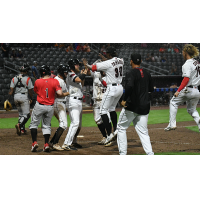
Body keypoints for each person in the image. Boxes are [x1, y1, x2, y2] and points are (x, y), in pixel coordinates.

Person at [83, 47, 124, 145]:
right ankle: (116, 130)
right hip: (120, 87)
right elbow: (112, 63)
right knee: (112, 109)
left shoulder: (108, 63)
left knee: (102, 111)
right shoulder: (121, 60)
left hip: (111, 88)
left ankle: (109, 135)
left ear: (109, 55)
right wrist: (106, 59)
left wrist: (85, 64)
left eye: (107, 54)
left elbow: (92, 67)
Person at [115, 53, 154, 155]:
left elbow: (129, 87)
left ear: (131, 61)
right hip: (144, 107)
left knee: (121, 128)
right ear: (141, 61)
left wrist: (124, 99)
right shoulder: (147, 73)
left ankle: (123, 154)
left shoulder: (130, 73)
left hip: (132, 106)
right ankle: (150, 154)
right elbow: (151, 89)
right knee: (143, 132)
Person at [29, 65, 69, 152]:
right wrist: (67, 93)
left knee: (34, 124)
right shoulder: (55, 81)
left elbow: (36, 91)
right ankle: (46, 144)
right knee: (46, 126)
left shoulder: (37, 81)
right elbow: (59, 93)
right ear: (49, 72)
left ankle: (34, 142)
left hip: (39, 105)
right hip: (50, 106)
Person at [165, 44, 200, 132]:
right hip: (196, 90)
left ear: (186, 53)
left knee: (173, 102)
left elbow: (186, 79)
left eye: (183, 52)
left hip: (188, 90)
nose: (182, 53)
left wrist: (178, 90)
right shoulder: (197, 63)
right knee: (191, 109)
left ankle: (172, 124)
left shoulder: (187, 64)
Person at [62, 59, 88, 150]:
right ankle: (66, 143)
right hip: (73, 101)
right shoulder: (70, 73)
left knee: (79, 125)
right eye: (77, 65)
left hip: (78, 101)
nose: (78, 66)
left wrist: (84, 72)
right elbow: (78, 79)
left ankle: (73, 141)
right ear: (72, 66)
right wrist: (83, 73)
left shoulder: (75, 74)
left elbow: (81, 82)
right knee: (75, 123)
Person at [87, 59, 111, 146]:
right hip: (96, 101)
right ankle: (105, 137)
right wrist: (93, 64)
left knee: (107, 119)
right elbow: (88, 72)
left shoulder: (109, 76)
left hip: (105, 100)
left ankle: (109, 137)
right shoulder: (96, 74)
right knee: (97, 119)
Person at [49, 64, 70, 150]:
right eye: (65, 72)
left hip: (58, 103)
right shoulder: (59, 81)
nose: (66, 74)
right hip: (58, 103)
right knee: (64, 124)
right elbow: (59, 95)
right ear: (61, 72)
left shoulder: (58, 79)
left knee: (62, 124)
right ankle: (55, 143)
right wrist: (69, 93)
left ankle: (51, 142)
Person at [8, 63, 33, 135]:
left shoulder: (14, 78)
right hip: (23, 96)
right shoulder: (28, 78)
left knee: (21, 114)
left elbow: (11, 90)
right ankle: (19, 125)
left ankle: (22, 130)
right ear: (26, 71)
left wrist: (8, 99)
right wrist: (31, 98)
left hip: (15, 96)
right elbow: (30, 90)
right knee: (27, 115)